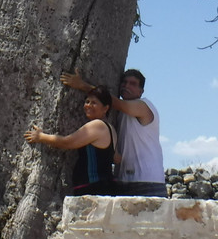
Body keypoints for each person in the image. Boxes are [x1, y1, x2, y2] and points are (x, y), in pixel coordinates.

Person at [61, 67, 166, 196]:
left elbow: (116, 103)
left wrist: (83, 85)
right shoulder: (121, 115)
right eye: (124, 82)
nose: (126, 86)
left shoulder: (144, 106)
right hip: (123, 180)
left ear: (141, 91)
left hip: (147, 181)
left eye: (132, 84)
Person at [24, 85, 118, 196]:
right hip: (104, 187)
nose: (88, 105)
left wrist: (41, 137)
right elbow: (116, 158)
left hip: (93, 189)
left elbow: (68, 142)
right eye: (87, 101)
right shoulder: (111, 129)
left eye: (94, 103)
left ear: (106, 108)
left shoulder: (97, 125)